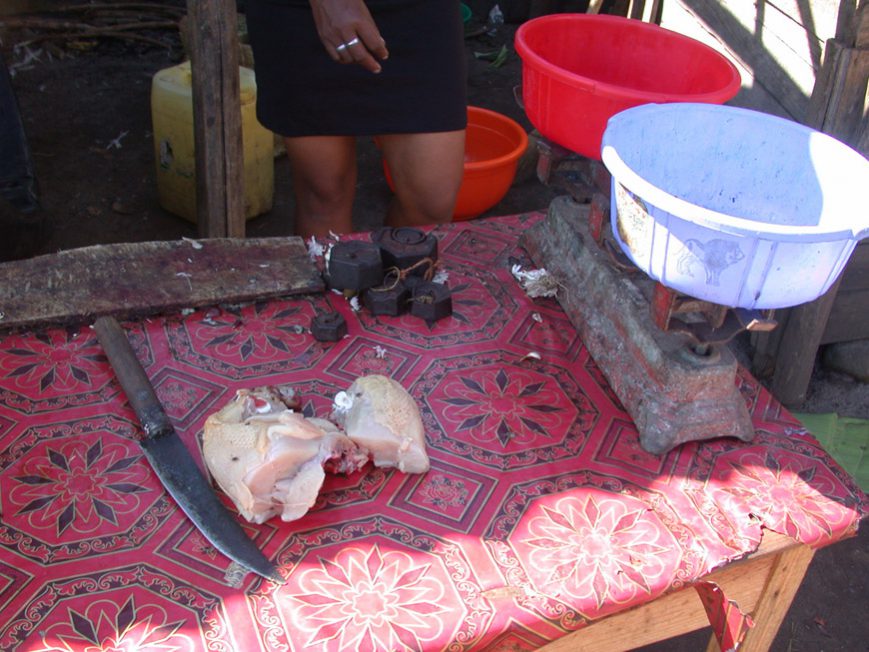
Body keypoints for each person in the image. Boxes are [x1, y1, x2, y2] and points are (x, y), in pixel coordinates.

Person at [245, 0, 468, 239]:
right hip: (303, 12)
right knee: (324, 194)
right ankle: (338, 273)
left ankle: (394, 273)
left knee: (431, 203)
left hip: (418, 13)